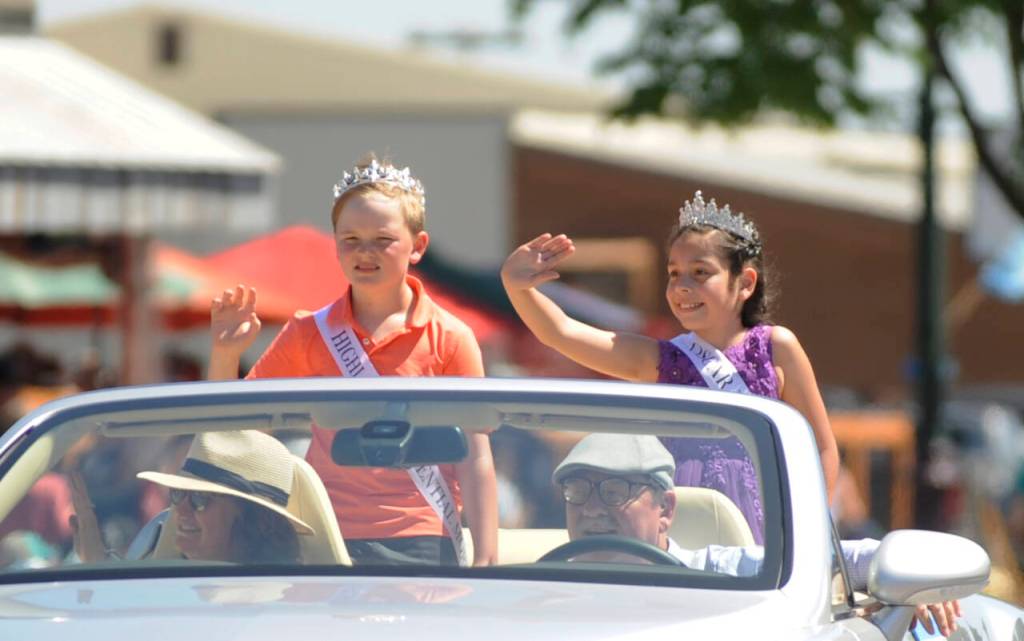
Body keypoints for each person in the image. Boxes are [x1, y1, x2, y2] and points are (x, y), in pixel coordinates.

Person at [207, 157, 498, 567]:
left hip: (421, 534)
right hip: (323, 529)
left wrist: (486, 556)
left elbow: (475, 454)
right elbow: (236, 427)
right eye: (351, 239)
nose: (365, 252)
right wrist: (225, 354)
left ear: (418, 247)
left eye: (383, 239)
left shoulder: (451, 336)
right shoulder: (308, 331)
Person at [501, 191, 840, 542]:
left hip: (769, 533)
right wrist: (516, 286)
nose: (682, 287)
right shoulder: (662, 361)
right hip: (687, 529)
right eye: (674, 273)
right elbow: (562, 333)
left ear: (745, 283)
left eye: (700, 273)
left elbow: (822, 449)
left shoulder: (775, 347)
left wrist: (807, 527)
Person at [553, 434, 961, 638]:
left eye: (614, 492)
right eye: (577, 491)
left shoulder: (720, 573)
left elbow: (857, 559)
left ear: (666, 510)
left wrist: (921, 580)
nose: (590, 509)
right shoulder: (534, 589)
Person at [71, 430, 313, 564]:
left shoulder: (282, 605)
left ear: (253, 518)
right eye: (177, 494)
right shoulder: (162, 591)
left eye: (199, 499)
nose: (179, 511)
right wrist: (96, 564)